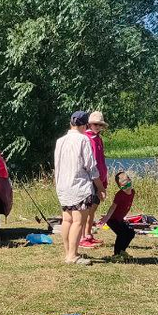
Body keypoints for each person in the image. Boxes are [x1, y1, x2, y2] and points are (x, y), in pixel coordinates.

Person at [54, 111, 104, 265]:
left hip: (63, 185)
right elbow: (91, 167)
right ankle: (72, 255)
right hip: (79, 186)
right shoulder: (84, 140)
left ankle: (68, 252)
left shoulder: (60, 141)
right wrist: (100, 187)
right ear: (84, 125)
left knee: (66, 220)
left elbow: (57, 164)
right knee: (78, 221)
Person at [81, 111, 109, 249]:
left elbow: (101, 161)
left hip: (100, 178)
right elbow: (89, 164)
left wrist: (104, 181)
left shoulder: (98, 139)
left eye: (100, 125)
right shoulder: (86, 138)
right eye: (95, 124)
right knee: (86, 209)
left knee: (93, 209)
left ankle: (88, 234)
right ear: (89, 124)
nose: (97, 127)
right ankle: (82, 236)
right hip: (91, 179)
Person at [97, 170, 137, 260]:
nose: (127, 188)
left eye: (128, 184)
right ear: (120, 187)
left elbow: (125, 206)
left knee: (130, 233)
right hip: (112, 220)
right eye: (123, 187)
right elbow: (113, 207)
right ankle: (116, 254)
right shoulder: (119, 195)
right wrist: (107, 217)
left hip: (119, 219)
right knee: (122, 234)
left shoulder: (133, 192)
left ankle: (122, 251)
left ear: (130, 181)